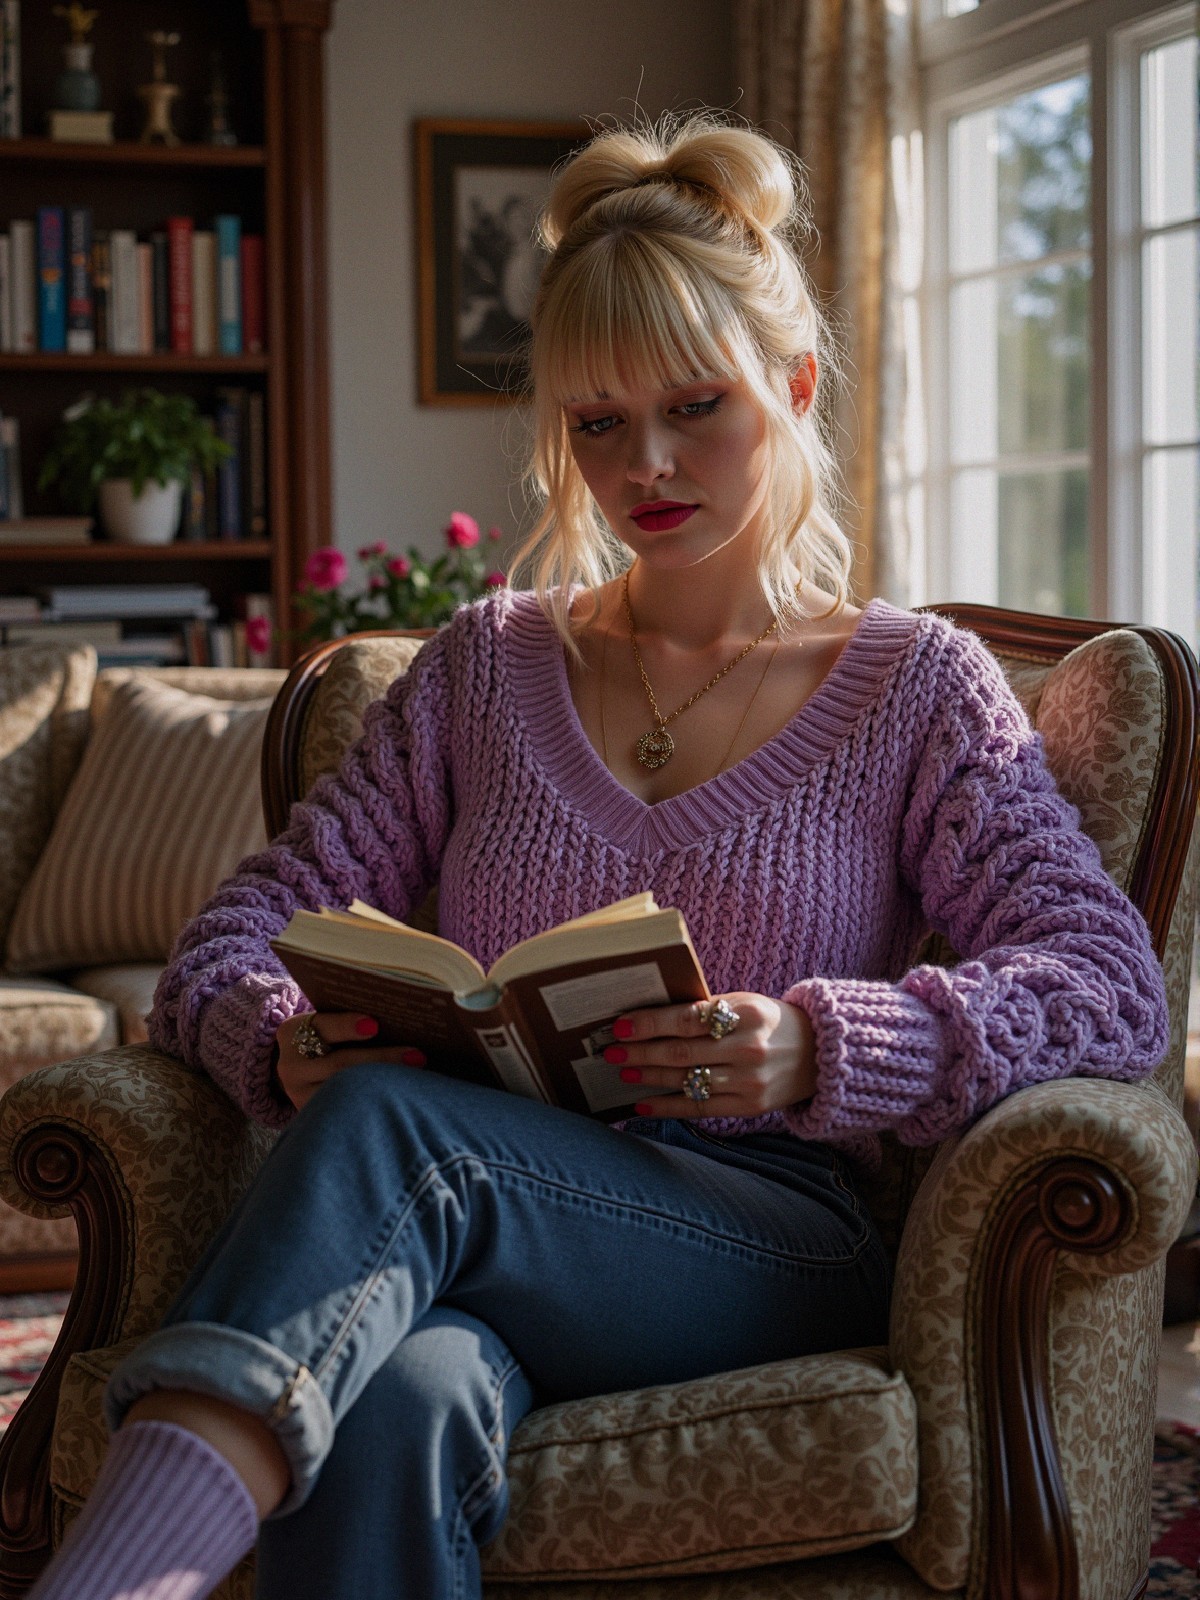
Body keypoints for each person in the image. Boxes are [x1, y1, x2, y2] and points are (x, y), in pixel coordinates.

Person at [28, 113, 1168, 1600]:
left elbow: (1105, 986)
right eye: (598, 422)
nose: (649, 464)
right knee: (401, 1399)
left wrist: (823, 1044)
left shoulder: (917, 689)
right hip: (487, 1224)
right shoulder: (483, 671)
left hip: (765, 1243)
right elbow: (232, 939)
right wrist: (287, 1046)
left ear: (795, 386)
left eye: (698, 406)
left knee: (390, 1136)